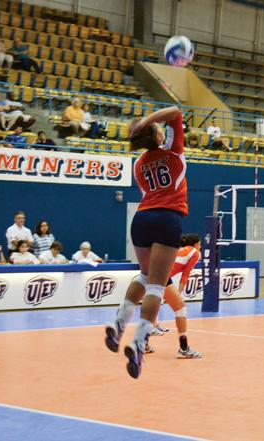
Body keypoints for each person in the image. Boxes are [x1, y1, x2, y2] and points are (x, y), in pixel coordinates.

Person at [103, 105, 187, 379]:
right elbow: (175, 111)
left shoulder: (139, 164)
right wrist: (147, 121)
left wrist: (144, 126)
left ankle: (118, 324)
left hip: (141, 219)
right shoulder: (173, 153)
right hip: (167, 218)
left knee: (145, 275)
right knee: (156, 286)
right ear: (158, 135)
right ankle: (138, 343)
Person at [147, 234, 203, 358]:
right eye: (200, 244)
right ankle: (184, 349)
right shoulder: (194, 253)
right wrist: (179, 293)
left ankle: (143, 344)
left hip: (152, 272)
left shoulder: (180, 249)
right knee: (180, 308)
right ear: (195, 244)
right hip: (161, 276)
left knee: (153, 305)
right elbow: (185, 275)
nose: (200, 247)